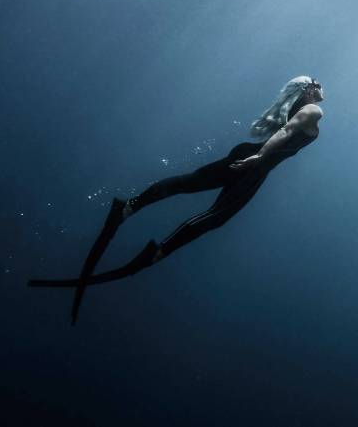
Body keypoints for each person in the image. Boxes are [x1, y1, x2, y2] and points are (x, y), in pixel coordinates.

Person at [28, 76, 325, 325]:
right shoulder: (313, 110)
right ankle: (157, 252)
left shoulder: (296, 105)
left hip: (246, 156)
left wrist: (253, 156)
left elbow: (282, 129)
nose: (322, 88)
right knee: (217, 216)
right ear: (308, 90)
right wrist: (258, 158)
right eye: (318, 83)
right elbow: (287, 132)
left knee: (189, 184)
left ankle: (128, 207)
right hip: (255, 165)